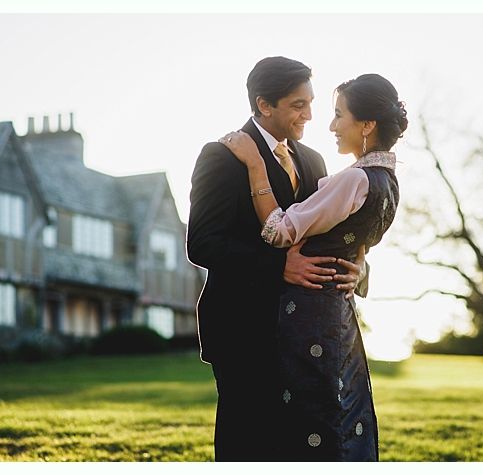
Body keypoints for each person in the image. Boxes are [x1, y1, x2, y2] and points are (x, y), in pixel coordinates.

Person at [218, 73, 407, 461]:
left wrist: (255, 165)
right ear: (263, 104)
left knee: (312, 418)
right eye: (302, 105)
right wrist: (358, 267)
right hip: (336, 317)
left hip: (307, 319)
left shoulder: (350, 177)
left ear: (367, 125)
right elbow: (358, 240)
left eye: (339, 115)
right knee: (338, 410)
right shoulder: (389, 181)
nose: (329, 124)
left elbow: (279, 231)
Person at [186, 56, 367, 462]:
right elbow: (202, 243)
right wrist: (277, 266)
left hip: (304, 333)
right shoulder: (221, 156)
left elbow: (330, 236)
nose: (310, 115)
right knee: (246, 443)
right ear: (264, 104)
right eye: (298, 105)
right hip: (242, 328)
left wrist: (358, 269)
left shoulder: (315, 162)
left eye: (311, 102)